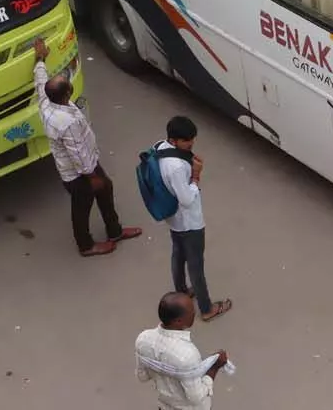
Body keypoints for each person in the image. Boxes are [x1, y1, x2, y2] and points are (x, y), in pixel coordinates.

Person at [34, 39, 141, 257]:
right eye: (67, 85)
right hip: (79, 173)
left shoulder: (47, 101)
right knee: (82, 206)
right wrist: (92, 176)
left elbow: (40, 79)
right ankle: (86, 245)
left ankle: (115, 231)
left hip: (83, 167)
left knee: (105, 189)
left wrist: (40, 58)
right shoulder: (67, 121)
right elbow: (78, 153)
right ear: (66, 95)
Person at [157, 116, 232, 321]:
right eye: (187, 140)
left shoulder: (161, 149)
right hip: (190, 222)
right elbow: (187, 199)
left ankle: (181, 290)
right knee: (196, 264)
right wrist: (196, 176)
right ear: (174, 140)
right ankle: (207, 308)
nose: (191, 143)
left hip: (174, 220)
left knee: (178, 254)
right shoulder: (177, 167)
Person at [135, 292, 230, 410]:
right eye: (191, 311)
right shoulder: (187, 354)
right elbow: (196, 397)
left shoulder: (143, 339)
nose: (194, 312)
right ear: (178, 321)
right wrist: (214, 367)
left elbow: (142, 376)